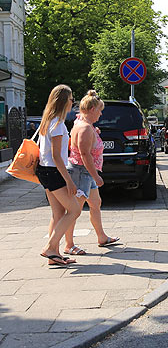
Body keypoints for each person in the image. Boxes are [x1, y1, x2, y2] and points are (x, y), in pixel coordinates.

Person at [63, 90, 119, 255]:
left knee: (96, 203)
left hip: (86, 172)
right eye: (100, 110)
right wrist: (95, 175)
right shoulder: (85, 128)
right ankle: (68, 244)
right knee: (74, 210)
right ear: (92, 109)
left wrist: (95, 133)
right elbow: (84, 154)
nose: (101, 114)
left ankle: (102, 237)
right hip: (82, 172)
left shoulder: (82, 123)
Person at [37, 84, 82, 266]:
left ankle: (53, 255)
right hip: (53, 171)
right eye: (72, 99)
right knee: (74, 210)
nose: (73, 102)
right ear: (64, 101)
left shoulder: (49, 121)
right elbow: (56, 156)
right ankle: (50, 247)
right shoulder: (57, 123)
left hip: (45, 171)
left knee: (58, 213)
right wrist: (69, 180)